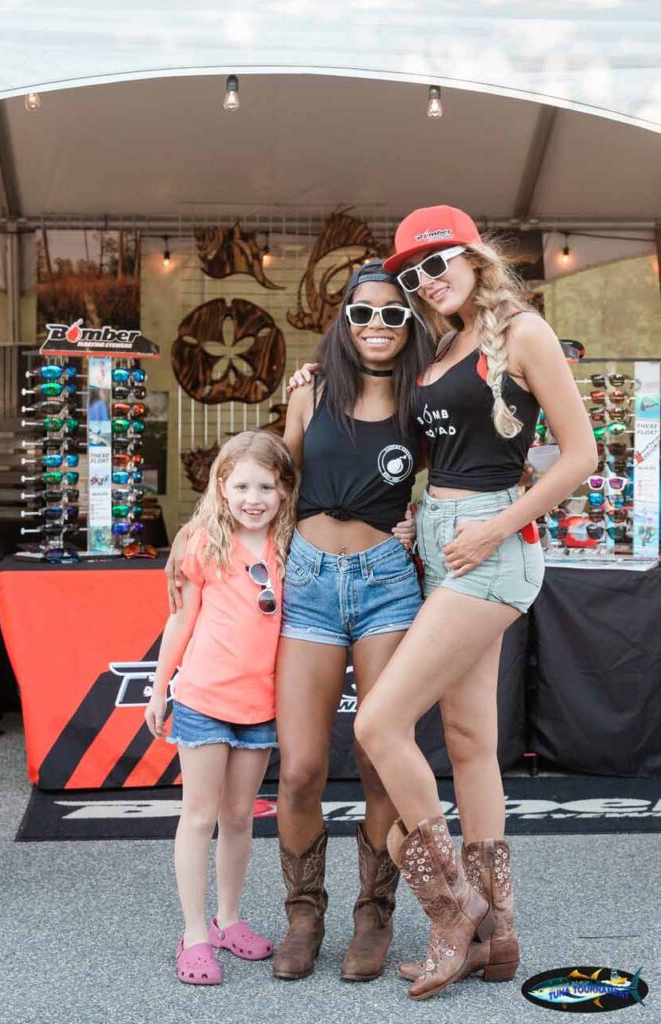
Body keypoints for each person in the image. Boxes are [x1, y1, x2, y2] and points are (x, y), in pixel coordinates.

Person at [346, 206, 598, 1001]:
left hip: (494, 547)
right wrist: (429, 510)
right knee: (467, 741)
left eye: (438, 260)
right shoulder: (443, 343)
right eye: (413, 272)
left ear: (474, 255)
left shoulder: (522, 331)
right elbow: (448, 451)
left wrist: (492, 528)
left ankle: (453, 910)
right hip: (447, 539)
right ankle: (500, 933)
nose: (427, 278)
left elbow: (582, 454)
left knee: (378, 723)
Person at [166, 260, 432, 983]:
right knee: (303, 769)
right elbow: (280, 484)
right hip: (311, 584)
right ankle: (303, 914)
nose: (376, 325)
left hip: (385, 586)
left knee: (380, 761)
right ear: (343, 322)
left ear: (409, 327)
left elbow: (456, 476)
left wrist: (420, 527)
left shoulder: (422, 398)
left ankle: (372, 916)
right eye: (362, 313)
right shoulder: (313, 390)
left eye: (391, 314)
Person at [146, 431, 298, 986]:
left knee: (239, 818)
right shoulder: (201, 542)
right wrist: (160, 687)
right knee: (199, 815)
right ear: (220, 487)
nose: (252, 497)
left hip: (259, 706)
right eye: (240, 485)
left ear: (284, 491)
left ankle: (229, 919)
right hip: (205, 699)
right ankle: (194, 934)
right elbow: (180, 620)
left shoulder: (290, 546)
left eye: (265, 485)